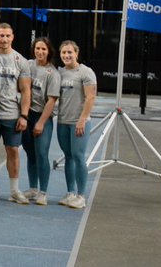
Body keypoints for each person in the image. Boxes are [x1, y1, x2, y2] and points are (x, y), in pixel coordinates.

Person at [0, 23, 32, 203]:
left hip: (12, 114)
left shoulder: (21, 61)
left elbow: (26, 90)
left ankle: (14, 190)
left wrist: (24, 115)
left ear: (13, 37)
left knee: (13, 151)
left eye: (7, 36)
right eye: (1, 36)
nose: (4, 39)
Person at [55, 40, 96, 210]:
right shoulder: (60, 73)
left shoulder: (86, 72)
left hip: (79, 123)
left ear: (76, 54)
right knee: (68, 156)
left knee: (79, 156)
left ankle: (81, 195)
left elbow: (91, 97)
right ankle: (70, 192)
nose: (67, 55)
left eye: (70, 52)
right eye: (64, 53)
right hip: (63, 121)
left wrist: (82, 119)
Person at [22, 37, 59, 206]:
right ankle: (33, 188)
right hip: (26, 115)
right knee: (30, 153)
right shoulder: (28, 65)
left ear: (49, 51)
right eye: (37, 48)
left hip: (42, 116)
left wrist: (41, 122)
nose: (40, 52)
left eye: (43, 49)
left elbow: (51, 101)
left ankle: (43, 192)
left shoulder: (53, 73)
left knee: (42, 154)